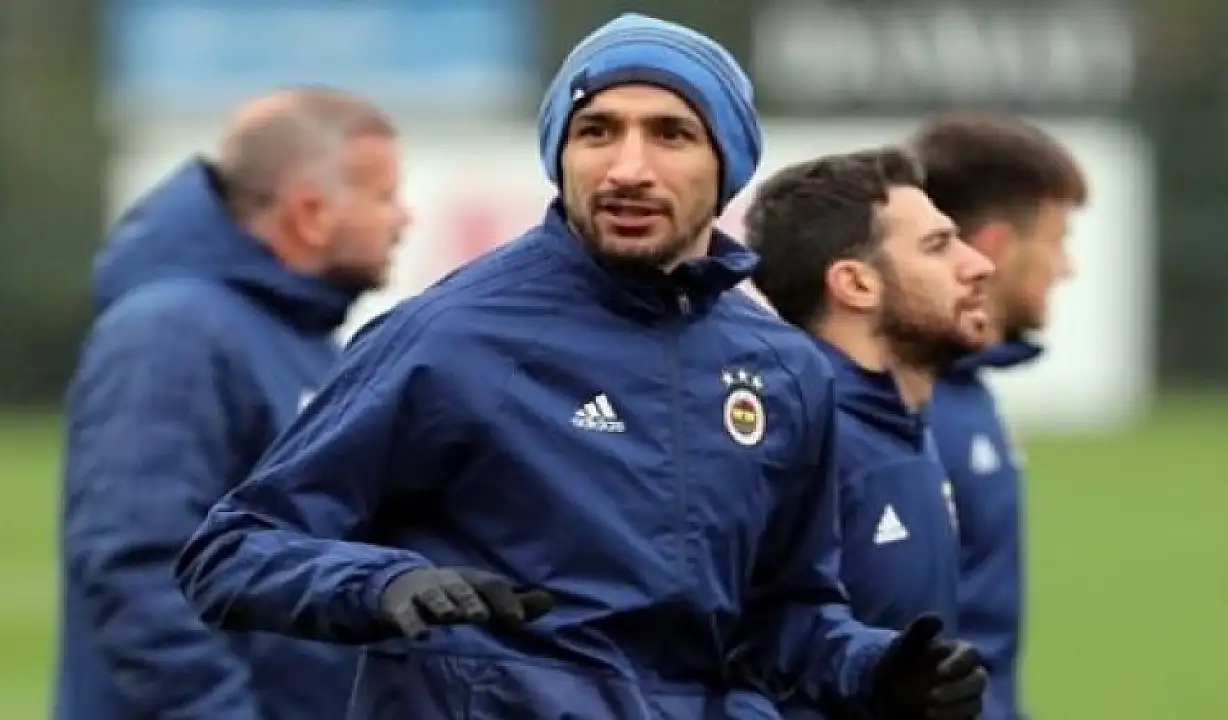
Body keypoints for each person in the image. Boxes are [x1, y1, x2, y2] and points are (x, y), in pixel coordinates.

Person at [174, 13, 986, 720]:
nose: (628, 168)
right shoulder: (450, 336)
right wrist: (383, 586)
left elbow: (783, 614)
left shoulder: (783, 370)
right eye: (597, 131)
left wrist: (875, 668)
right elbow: (234, 551)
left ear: (727, 165)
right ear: (560, 155)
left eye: (670, 134)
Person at [56, 87, 410, 720]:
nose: (403, 218)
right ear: (311, 214)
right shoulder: (171, 332)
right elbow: (138, 565)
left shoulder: (297, 337)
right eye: (383, 196)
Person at [743, 148, 992, 719]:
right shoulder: (798, 443)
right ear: (856, 284)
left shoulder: (901, 424)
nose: (979, 264)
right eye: (938, 246)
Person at [909, 113, 1089, 720]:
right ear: (995, 247)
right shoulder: (906, 407)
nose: (1066, 267)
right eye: (1056, 241)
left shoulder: (965, 389)